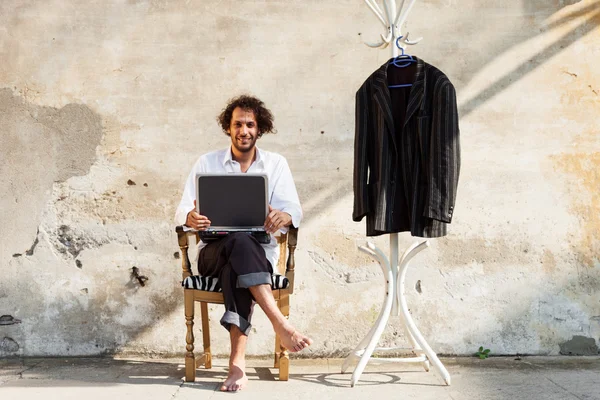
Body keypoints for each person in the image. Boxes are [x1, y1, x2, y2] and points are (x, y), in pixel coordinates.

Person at [175, 95, 312, 391]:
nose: (244, 130)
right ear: (228, 127)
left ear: (259, 128)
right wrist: (191, 216)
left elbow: (295, 211)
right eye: (238, 124)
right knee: (238, 241)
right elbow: (181, 210)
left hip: (255, 255)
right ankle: (279, 323)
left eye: (250, 124)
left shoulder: (276, 164)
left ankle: (236, 366)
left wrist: (283, 216)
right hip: (212, 254)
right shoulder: (206, 162)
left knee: (237, 266)